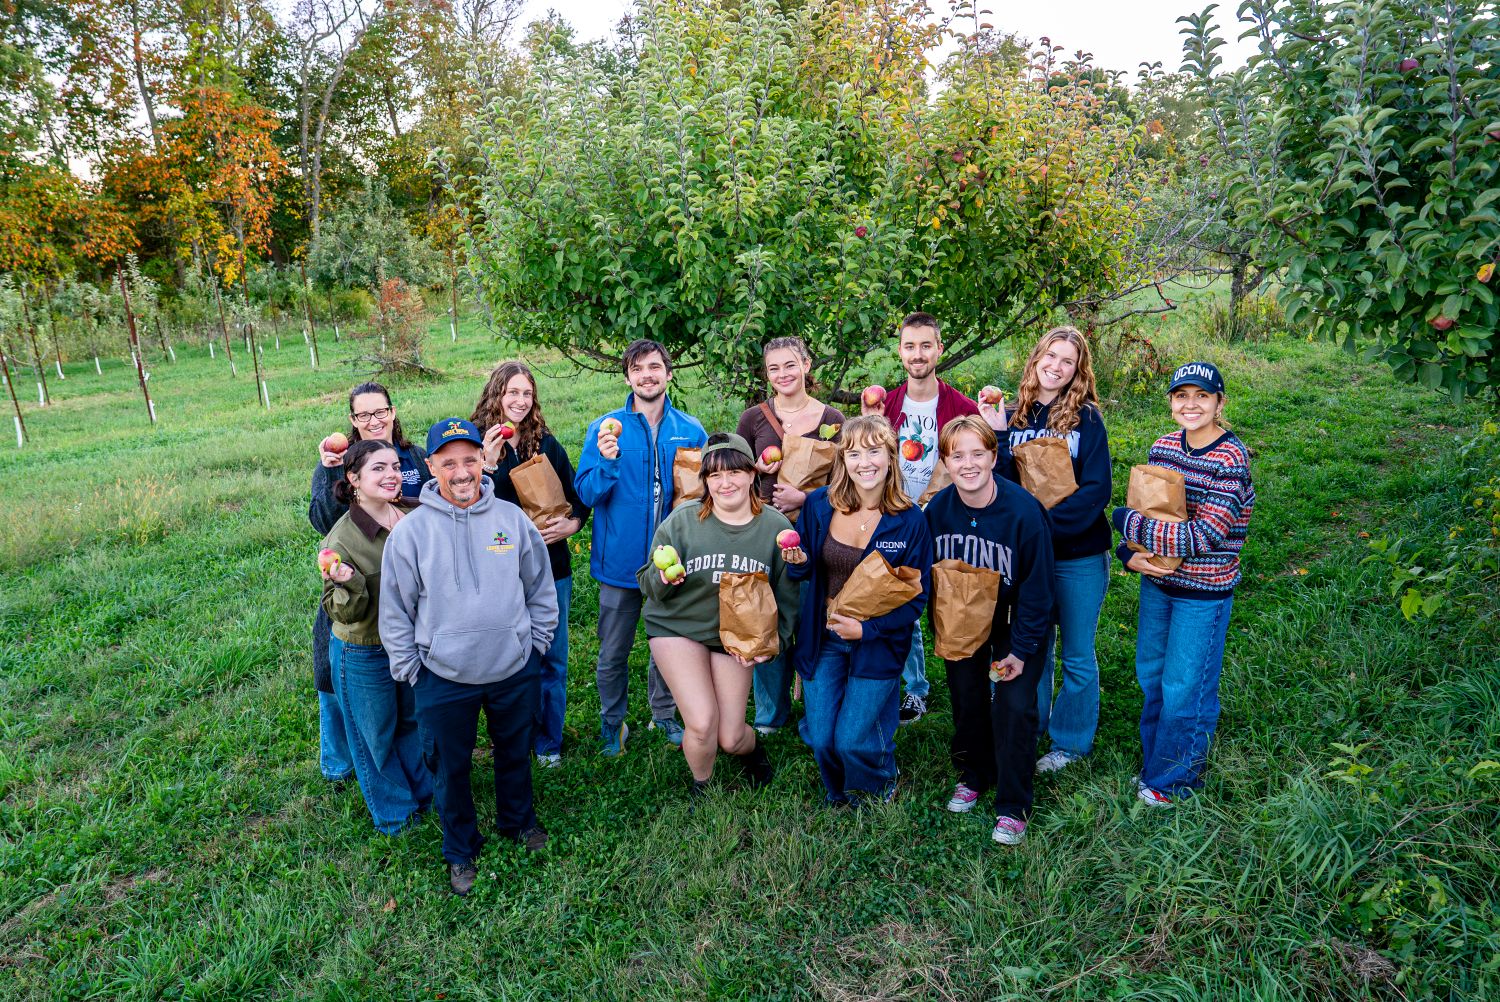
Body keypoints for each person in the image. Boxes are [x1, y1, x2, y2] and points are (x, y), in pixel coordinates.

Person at [380, 418, 559, 896]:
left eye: (469, 460)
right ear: (432, 467)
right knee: (450, 768)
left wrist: (534, 645)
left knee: (514, 752)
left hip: (512, 665)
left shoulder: (512, 520)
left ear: (484, 460)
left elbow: (540, 587)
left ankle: (517, 821)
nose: (461, 472)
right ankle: (461, 849)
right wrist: (412, 668)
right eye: (448, 463)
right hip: (441, 674)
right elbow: (396, 608)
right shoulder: (412, 533)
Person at [1111, 362, 1255, 807]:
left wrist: (1123, 522)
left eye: (1202, 396)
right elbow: (1151, 513)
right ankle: (1159, 761)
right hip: (1158, 582)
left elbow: (1202, 536)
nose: (1190, 404)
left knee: (1186, 684)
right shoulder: (1163, 448)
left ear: (1219, 403)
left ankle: (1175, 781)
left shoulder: (1231, 459)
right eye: (1181, 396)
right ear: (1171, 402)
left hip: (1203, 591)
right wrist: (1127, 553)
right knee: (1153, 676)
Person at [977, 326, 1112, 775]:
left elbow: (1097, 490)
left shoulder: (1086, 419)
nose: (1055, 366)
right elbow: (999, 487)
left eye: (1067, 361)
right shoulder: (1012, 417)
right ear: (1036, 359)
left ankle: (1070, 742)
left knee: (1076, 650)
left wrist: (1038, 528)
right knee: (1033, 646)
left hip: (1077, 555)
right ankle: (1027, 725)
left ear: (1078, 371)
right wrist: (994, 434)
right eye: (1049, 356)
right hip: (1027, 561)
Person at [637, 434, 798, 798]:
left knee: (730, 735)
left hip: (734, 636)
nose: (725, 483)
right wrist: (663, 577)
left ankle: (752, 751)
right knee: (702, 722)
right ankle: (702, 787)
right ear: (705, 481)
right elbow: (647, 583)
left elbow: (789, 597)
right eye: (714, 476)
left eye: (735, 472)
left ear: (751, 474)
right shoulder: (682, 522)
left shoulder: (777, 529)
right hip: (677, 627)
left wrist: (775, 644)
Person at [783, 415, 933, 805]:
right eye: (853, 453)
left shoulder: (910, 521)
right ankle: (838, 794)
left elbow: (917, 598)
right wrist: (798, 561)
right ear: (842, 460)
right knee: (820, 736)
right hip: (824, 636)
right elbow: (807, 571)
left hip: (878, 641)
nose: (864, 462)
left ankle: (879, 783)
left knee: (852, 739)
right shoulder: (820, 505)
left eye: (873, 451)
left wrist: (867, 631)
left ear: (890, 456)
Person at [924, 416, 1055, 844]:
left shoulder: (1023, 512)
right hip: (965, 623)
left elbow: (1038, 590)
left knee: (1013, 706)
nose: (968, 464)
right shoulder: (939, 510)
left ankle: (1013, 804)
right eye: (957, 455)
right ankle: (974, 773)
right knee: (967, 698)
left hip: (1015, 625)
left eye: (977, 453)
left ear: (993, 457)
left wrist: (1019, 650)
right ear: (945, 461)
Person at [574, 339, 707, 757]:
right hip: (619, 563)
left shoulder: (690, 429)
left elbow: (702, 500)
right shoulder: (604, 428)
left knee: (669, 648)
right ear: (628, 376)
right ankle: (613, 723)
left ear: (669, 373)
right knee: (612, 654)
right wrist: (607, 461)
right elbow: (587, 493)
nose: (646, 375)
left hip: (672, 565)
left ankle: (663, 713)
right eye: (637, 369)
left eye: (654, 367)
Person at [309, 382, 431, 785]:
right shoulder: (338, 461)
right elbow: (325, 522)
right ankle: (339, 765)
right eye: (364, 414)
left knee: (404, 703)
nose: (374, 420)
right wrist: (330, 471)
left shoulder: (412, 455)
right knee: (341, 680)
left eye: (381, 411)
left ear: (393, 412)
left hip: (409, 597)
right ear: (353, 421)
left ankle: (406, 770)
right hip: (361, 578)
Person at [472, 360, 591, 768]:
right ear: (496, 395)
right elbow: (462, 506)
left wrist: (571, 525)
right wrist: (486, 463)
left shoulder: (545, 444)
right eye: (512, 393)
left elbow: (579, 498)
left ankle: (548, 742)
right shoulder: (475, 442)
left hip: (550, 568)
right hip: (499, 568)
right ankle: (511, 737)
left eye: (526, 393)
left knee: (552, 658)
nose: (520, 401)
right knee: (507, 659)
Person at [862, 312, 979, 726]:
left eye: (926, 345)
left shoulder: (961, 407)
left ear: (939, 350)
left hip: (945, 518)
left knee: (951, 595)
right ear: (900, 351)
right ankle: (914, 688)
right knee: (901, 595)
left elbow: (976, 466)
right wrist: (869, 421)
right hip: (896, 517)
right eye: (910, 346)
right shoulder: (886, 405)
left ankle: (973, 677)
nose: (918, 354)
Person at [319, 439, 433, 834]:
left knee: (411, 723)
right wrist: (347, 583)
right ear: (353, 479)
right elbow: (342, 612)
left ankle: (423, 796)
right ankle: (396, 817)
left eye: (395, 467)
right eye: (378, 469)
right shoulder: (343, 539)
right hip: (364, 651)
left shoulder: (412, 516)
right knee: (375, 737)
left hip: (408, 646)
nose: (391, 475)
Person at [734, 336, 845, 734]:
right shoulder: (754, 419)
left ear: (806, 366)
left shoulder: (832, 419)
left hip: (817, 533)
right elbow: (731, 477)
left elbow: (849, 480)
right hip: (764, 532)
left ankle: (817, 701)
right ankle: (769, 714)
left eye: (790, 365)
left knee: (812, 615)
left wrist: (807, 496)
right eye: (773, 368)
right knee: (768, 615)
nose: (782, 374)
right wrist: (755, 474)